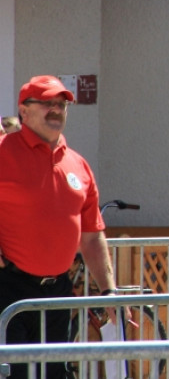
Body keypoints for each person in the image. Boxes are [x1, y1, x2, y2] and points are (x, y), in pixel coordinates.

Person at [0, 75, 121, 379]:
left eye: (61, 104)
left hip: (58, 293)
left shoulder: (78, 164)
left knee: (54, 374)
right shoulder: (4, 152)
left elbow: (92, 238)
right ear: (24, 112)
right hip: (8, 289)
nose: (56, 109)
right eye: (47, 103)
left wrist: (109, 292)